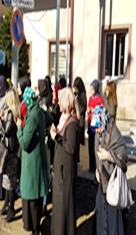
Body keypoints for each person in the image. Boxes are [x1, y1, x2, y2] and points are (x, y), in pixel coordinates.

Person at [16, 86, 50, 235]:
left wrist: (19, 128)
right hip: (38, 158)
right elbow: (49, 118)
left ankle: (36, 230)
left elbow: (24, 143)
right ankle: (35, 227)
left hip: (32, 161)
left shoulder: (32, 116)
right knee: (34, 198)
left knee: (33, 199)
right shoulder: (39, 111)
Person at [48, 87, 80, 235]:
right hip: (61, 171)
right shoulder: (64, 118)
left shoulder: (72, 123)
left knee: (64, 206)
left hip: (65, 173)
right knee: (59, 207)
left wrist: (57, 137)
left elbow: (71, 147)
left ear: (66, 101)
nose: (58, 102)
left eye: (61, 99)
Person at [93, 106, 129, 235]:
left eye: (98, 126)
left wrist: (109, 156)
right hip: (102, 181)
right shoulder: (99, 133)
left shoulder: (114, 133)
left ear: (104, 121)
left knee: (113, 221)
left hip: (113, 184)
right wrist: (97, 169)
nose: (96, 130)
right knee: (102, 217)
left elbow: (124, 157)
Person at [0, 89, 20, 223]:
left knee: (10, 181)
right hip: (11, 148)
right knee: (7, 179)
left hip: (10, 150)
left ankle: (11, 208)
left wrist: (1, 120)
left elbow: (6, 131)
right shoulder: (11, 112)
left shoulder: (11, 113)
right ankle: (6, 204)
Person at [87, 80, 105, 171]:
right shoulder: (90, 98)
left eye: (92, 89)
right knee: (90, 145)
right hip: (90, 124)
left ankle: (97, 166)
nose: (91, 91)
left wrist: (94, 110)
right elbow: (88, 108)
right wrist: (88, 110)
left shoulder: (100, 99)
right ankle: (91, 165)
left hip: (96, 126)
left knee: (96, 146)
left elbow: (102, 111)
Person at [73, 77, 87, 162]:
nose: (75, 90)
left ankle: (77, 158)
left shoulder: (82, 95)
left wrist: (77, 107)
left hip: (80, 120)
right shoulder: (76, 94)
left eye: (76, 88)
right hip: (76, 118)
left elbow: (83, 107)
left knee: (77, 139)